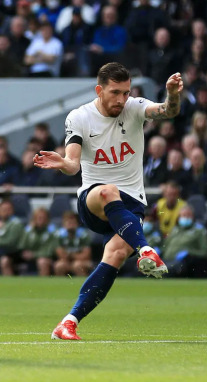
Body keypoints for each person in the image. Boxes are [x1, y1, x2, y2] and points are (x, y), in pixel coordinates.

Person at [33, 62, 183, 340]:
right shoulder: (79, 117)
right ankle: (146, 249)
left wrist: (172, 95)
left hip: (132, 205)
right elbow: (74, 164)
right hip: (94, 198)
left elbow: (168, 111)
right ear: (99, 90)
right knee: (108, 191)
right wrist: (62, 162)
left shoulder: (134, 108)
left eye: (125, 92)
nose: (121, 100)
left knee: (113, 256)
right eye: (115, 93)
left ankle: (68, 323)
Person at [54, 210, 92, 277]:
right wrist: (72, 256)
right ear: (64, 224)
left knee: (77, 265)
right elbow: (60, 255)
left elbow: (86, 255)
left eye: (73, 222)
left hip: (82, 262)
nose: (71, 224)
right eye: (68, 222)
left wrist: (70, 255)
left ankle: (83, 286)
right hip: (66, 261)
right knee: (59, 266)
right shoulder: (59, 235)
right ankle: (60, 286)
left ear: (77, 224)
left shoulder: (83, 235)